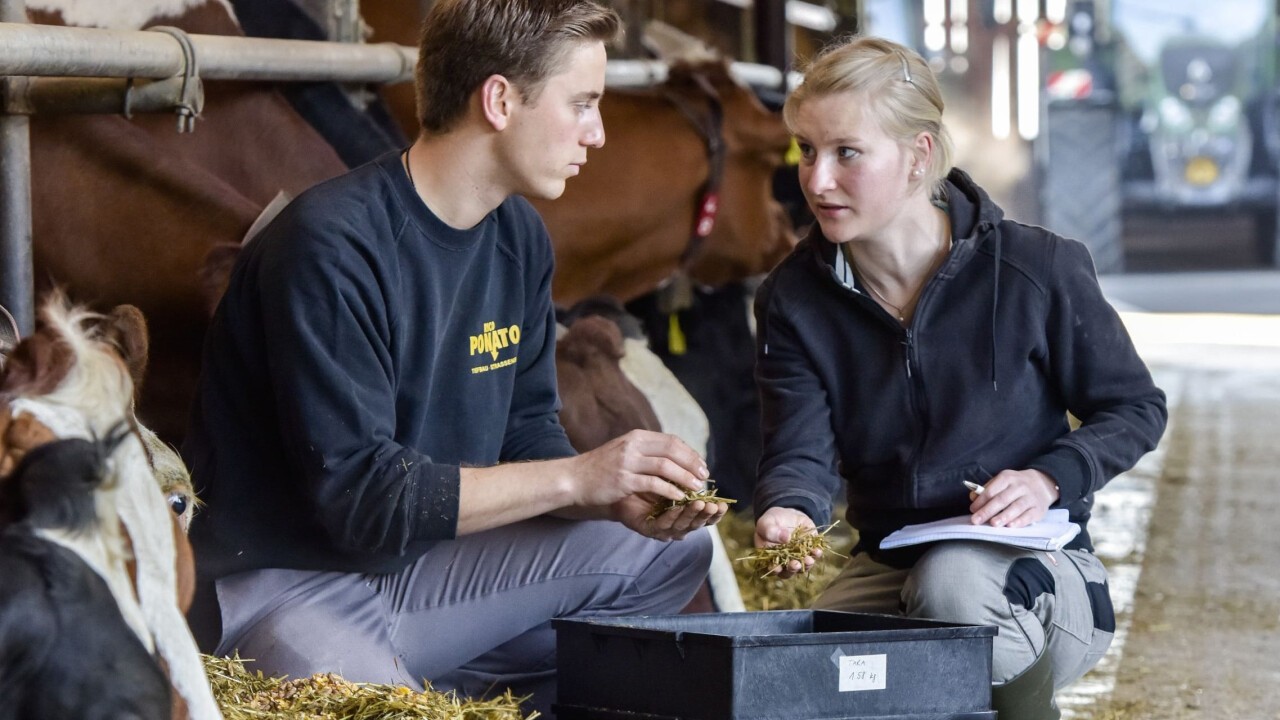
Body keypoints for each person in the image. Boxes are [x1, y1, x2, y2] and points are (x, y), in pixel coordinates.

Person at [182, 1, 726, 715]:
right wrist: (573, 478)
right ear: (500, 100)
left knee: (673, 552)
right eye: (583, 104)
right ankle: (412, 688)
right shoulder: (329, 246)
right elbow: (362, 503)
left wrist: (606, 496)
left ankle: (458, 686)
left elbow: (528, 433)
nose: (597, 133)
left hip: (426, 570)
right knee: (396, 709)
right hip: (287, 584)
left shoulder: (519, 237)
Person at [750, 36, 1167, 719]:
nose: (816, 180)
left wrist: (1047, 478)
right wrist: (789, 509)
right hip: (891, 567)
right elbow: (799, 447)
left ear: (918, 156)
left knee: (951, 583)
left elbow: (1134, 408)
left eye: (846, 153)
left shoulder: (1037, 268)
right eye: (806, 150)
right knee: (801, 672)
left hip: (1039, 576)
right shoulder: (794, 299)